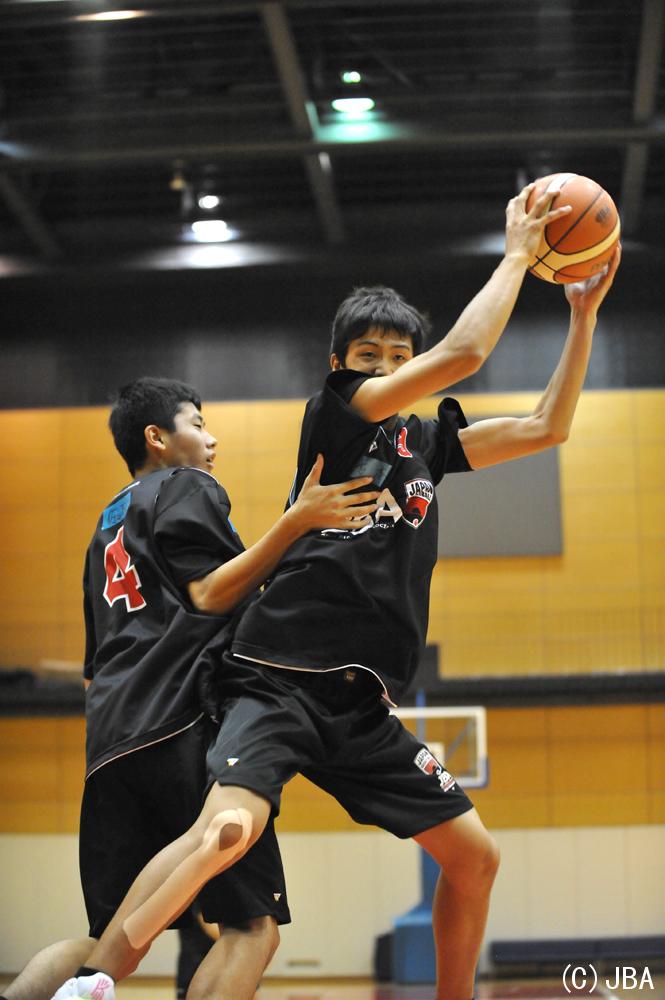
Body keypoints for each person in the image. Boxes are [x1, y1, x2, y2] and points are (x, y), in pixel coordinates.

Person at [52, 186, 621, 1000]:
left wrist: (583, 316)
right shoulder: (336, 415)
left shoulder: (425, 442)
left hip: (360, 698)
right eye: (369, 354)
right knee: (226, 831)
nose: (385, 366)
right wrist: (515, 257)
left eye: (398, 355)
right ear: (340, 366)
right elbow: (462, 354)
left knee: (474, 858)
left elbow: (545, 427)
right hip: (278, 672)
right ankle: (96, 982)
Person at [2, 377, 378, 1000]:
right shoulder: (186, 484)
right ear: (157, 437)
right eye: (198, 424)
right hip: (180, 725)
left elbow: (95, 666)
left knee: (107, 944)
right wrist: (296, 523)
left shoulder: (106, 526)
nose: (211, 439)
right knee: (252, 929)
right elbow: (209, 593)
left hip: (109, 747)